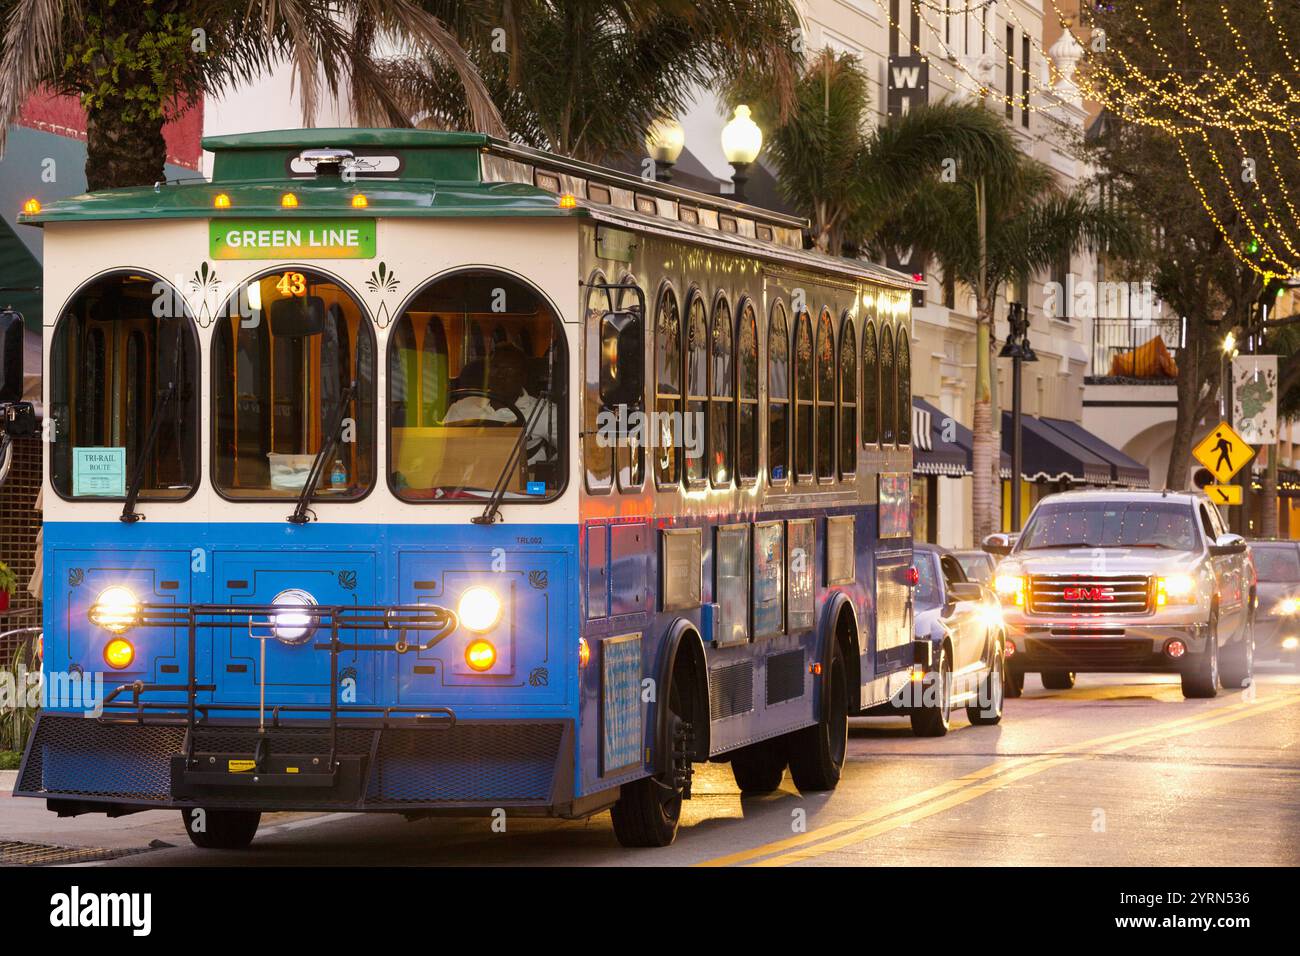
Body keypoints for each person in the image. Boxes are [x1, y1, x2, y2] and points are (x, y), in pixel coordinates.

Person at [444, 345, 555, 465]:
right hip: (464, 480)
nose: (500, 375)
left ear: (523, 377)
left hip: (519, 480)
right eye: (495, 367)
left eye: (509, 369)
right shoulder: (461, 407)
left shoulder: (543, 411)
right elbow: (440, 447)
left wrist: (541, 473)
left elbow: (569, 452)